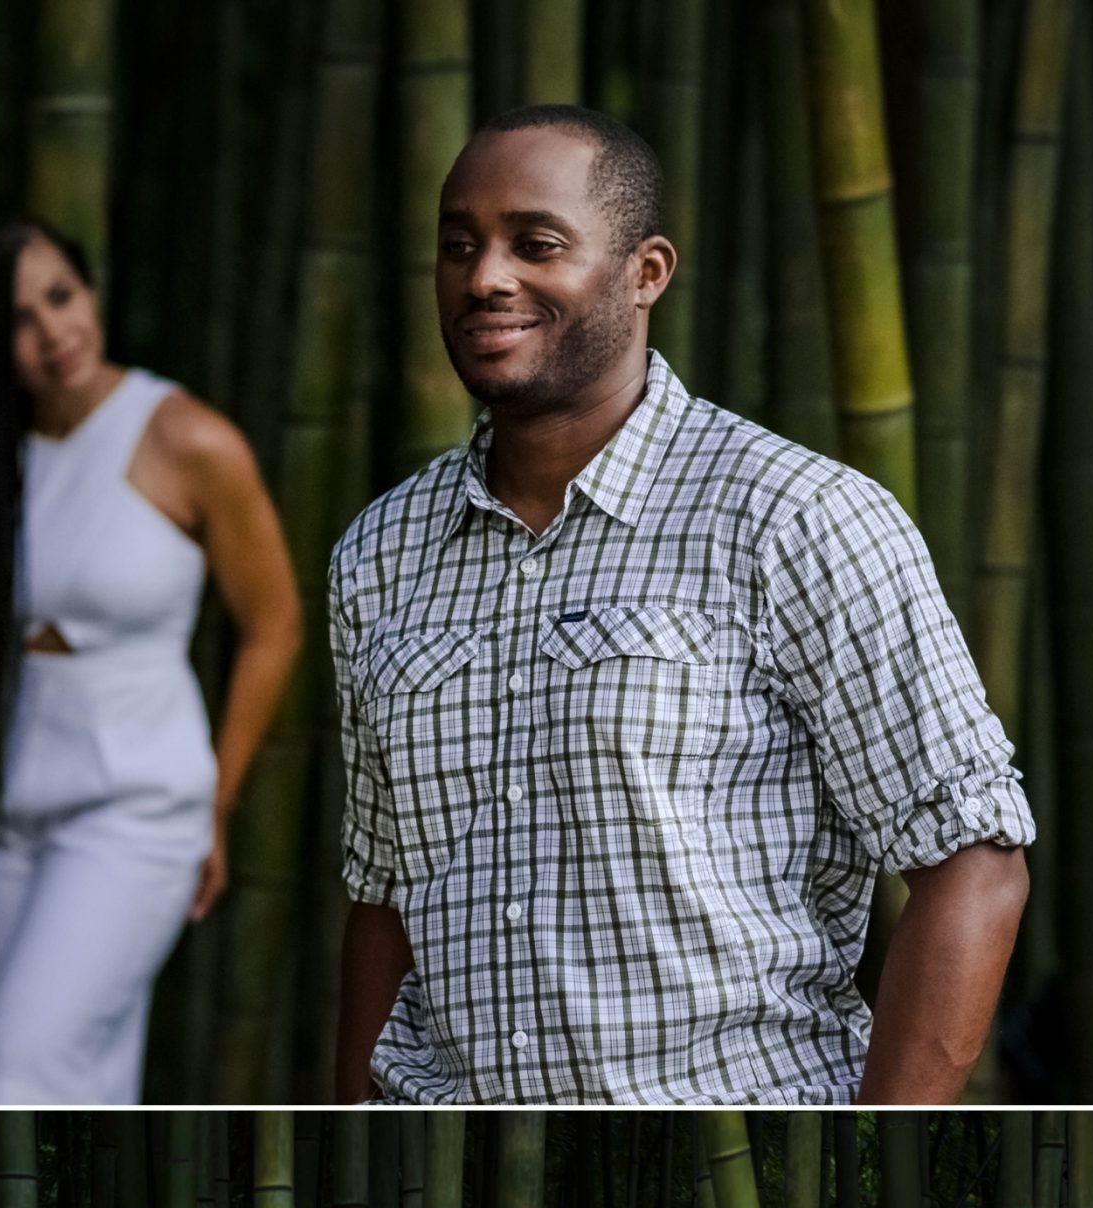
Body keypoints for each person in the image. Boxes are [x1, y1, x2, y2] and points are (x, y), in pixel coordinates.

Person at [332, 106, 1034, 1107]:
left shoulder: (796, 517)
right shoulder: (380, 553)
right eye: (459, 245)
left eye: (535, 244)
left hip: (740, 1177)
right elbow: (384, 899)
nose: (485, 277)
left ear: (645, 271)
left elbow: (972, 861)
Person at [0, 218, 301, 1104]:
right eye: (19, 319)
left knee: (27, 1060)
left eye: (62, 295)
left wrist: (218, 802)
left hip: (133, 805)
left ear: (92, 292)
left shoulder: (189, 440)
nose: (53, 332)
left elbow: (274, 625)